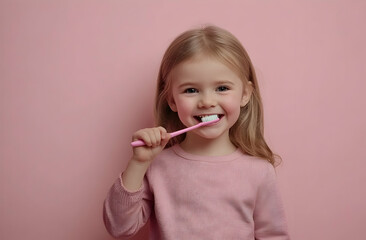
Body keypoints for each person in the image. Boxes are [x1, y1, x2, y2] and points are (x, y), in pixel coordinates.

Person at [103, 25, 290, 240]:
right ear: (172, 100)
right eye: (191, 90)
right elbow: (119, 228)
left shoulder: (259, 171)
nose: (207, 102)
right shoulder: (157, 166)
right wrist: (137, 164)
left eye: (222, 88)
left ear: (245, 94)